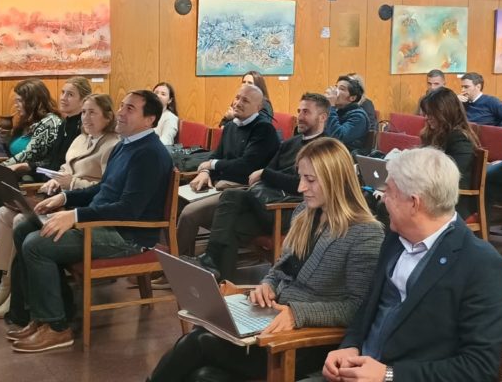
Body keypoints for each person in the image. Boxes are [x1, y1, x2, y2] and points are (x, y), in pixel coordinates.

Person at [150, 138, 384, 381]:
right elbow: (281, 269)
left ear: (336, 179)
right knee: (203, 375)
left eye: (310, 180)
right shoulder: (305, 213)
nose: (301, 187)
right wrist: (267, 286)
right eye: (301, 177)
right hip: (270, 323)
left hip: (304, 341)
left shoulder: (365, 233)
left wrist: (297, 313)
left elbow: (358, 308)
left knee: (196, 343)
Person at [317, 148, 502, 382]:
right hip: (356, 372)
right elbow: (370, 307)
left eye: (389, 191)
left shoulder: (481, 265)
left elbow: (479, 368)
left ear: (414, 203)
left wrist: (389, 375)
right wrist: (351, 345)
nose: (382, 198)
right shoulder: (395, 238)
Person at [4, 90, 173, 353]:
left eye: (130, 109)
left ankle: (57, 327)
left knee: (36, 245)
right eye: (121, 106)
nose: (120, 112)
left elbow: (128, 210)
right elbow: (102, 190)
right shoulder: (125, 145)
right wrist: (64, 197)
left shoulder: (149, 153)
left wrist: (75, 215)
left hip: (127, 236)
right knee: (25, 226)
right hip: (104, 224)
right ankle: (48, 315)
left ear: (149, 119)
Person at [0, 94, 121, 318]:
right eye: (84, 112)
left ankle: (18, 295)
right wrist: (56, 180)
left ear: (108, 116)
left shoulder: (112, 145)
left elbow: (105, 188)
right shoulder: (81, 138)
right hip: (63, 195)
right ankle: (5, 284)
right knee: (3, 212)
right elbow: (65, 168)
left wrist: (70, 183)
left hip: (81, 204)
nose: (86, 117)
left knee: (21, 220)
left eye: (92, 112)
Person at [195, 93, 331, 281]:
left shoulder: (326, 149)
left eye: (306, 112)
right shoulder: (291, 143)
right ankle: (225, 284)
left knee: (231, 196)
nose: (299, 116)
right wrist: (267, 175)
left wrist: (266, 174)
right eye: (299, 111)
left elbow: (300, 185)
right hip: (268, 201)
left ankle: (212, 258)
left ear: (322, 117)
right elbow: (270, 171)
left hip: (291, 210)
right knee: (231, 226)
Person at [178, 84, 280, 256]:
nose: (238, 103)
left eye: (245, 100)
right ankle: (183, 257)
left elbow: (245, 167)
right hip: (220, 184)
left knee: (189, 213)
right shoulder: (232, 125)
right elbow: (217, 155)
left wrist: (212, 165)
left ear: (258, 107)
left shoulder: (263, 129)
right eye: (237, 97)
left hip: (242, 192)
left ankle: (173, 264)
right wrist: (205, 172)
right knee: (177, 201)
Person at [419, 87, 478, 190]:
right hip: (433, 189)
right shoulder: (433, 134)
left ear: (445, 113)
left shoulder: (460, 138)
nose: (427, 117)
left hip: (450, 195)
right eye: (426, 113)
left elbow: (453, 175)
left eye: (431, 113)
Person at [324, 75, 371, 151]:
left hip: (344, 155)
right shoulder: (337, 111)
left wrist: (331, 106)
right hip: (327, 152)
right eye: (336, 87)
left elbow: (337, 138)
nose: (336, 91)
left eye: (342, 89)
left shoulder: (358, 116)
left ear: (352, 98)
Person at [153, 81, 180, 145]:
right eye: (156, 93)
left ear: (170, 100)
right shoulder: (145, 114)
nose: (158, 96)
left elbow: (165, 143)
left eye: (163, 94)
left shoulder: (170, 118)